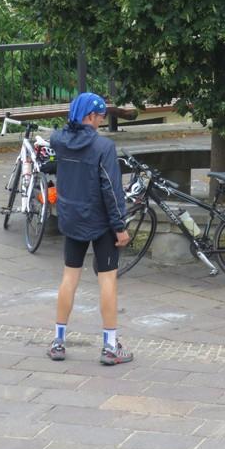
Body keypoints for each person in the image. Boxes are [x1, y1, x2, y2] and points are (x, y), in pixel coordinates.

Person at [47, 92, 132, 364]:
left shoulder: (58, 141)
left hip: (71, 217)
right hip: (101, 222)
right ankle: (110, 347)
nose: (102, 121)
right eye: (100, 116)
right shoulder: (103, 147)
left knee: (69, 277)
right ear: (91, 116)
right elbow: (111, 190)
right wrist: (120, 227)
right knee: (107, 280)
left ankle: (58, 342)